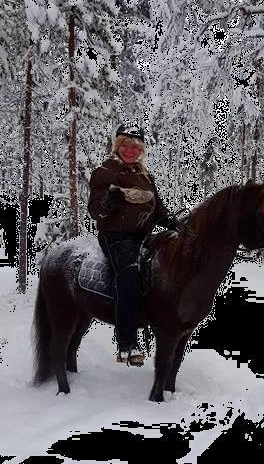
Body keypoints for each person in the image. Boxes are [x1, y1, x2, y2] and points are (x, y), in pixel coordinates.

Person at [88, 124, 179, 366]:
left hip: (143, 236)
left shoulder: (145, 175)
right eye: (125, 145)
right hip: (115, 236)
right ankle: (127, 344)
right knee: (128, 275)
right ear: (118, 146)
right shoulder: (105, 171)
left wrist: (172, 221)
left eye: (135, 147)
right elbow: (95, 211)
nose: (130, 150)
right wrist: (109, 200)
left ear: (141, 151)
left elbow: (157, 208)